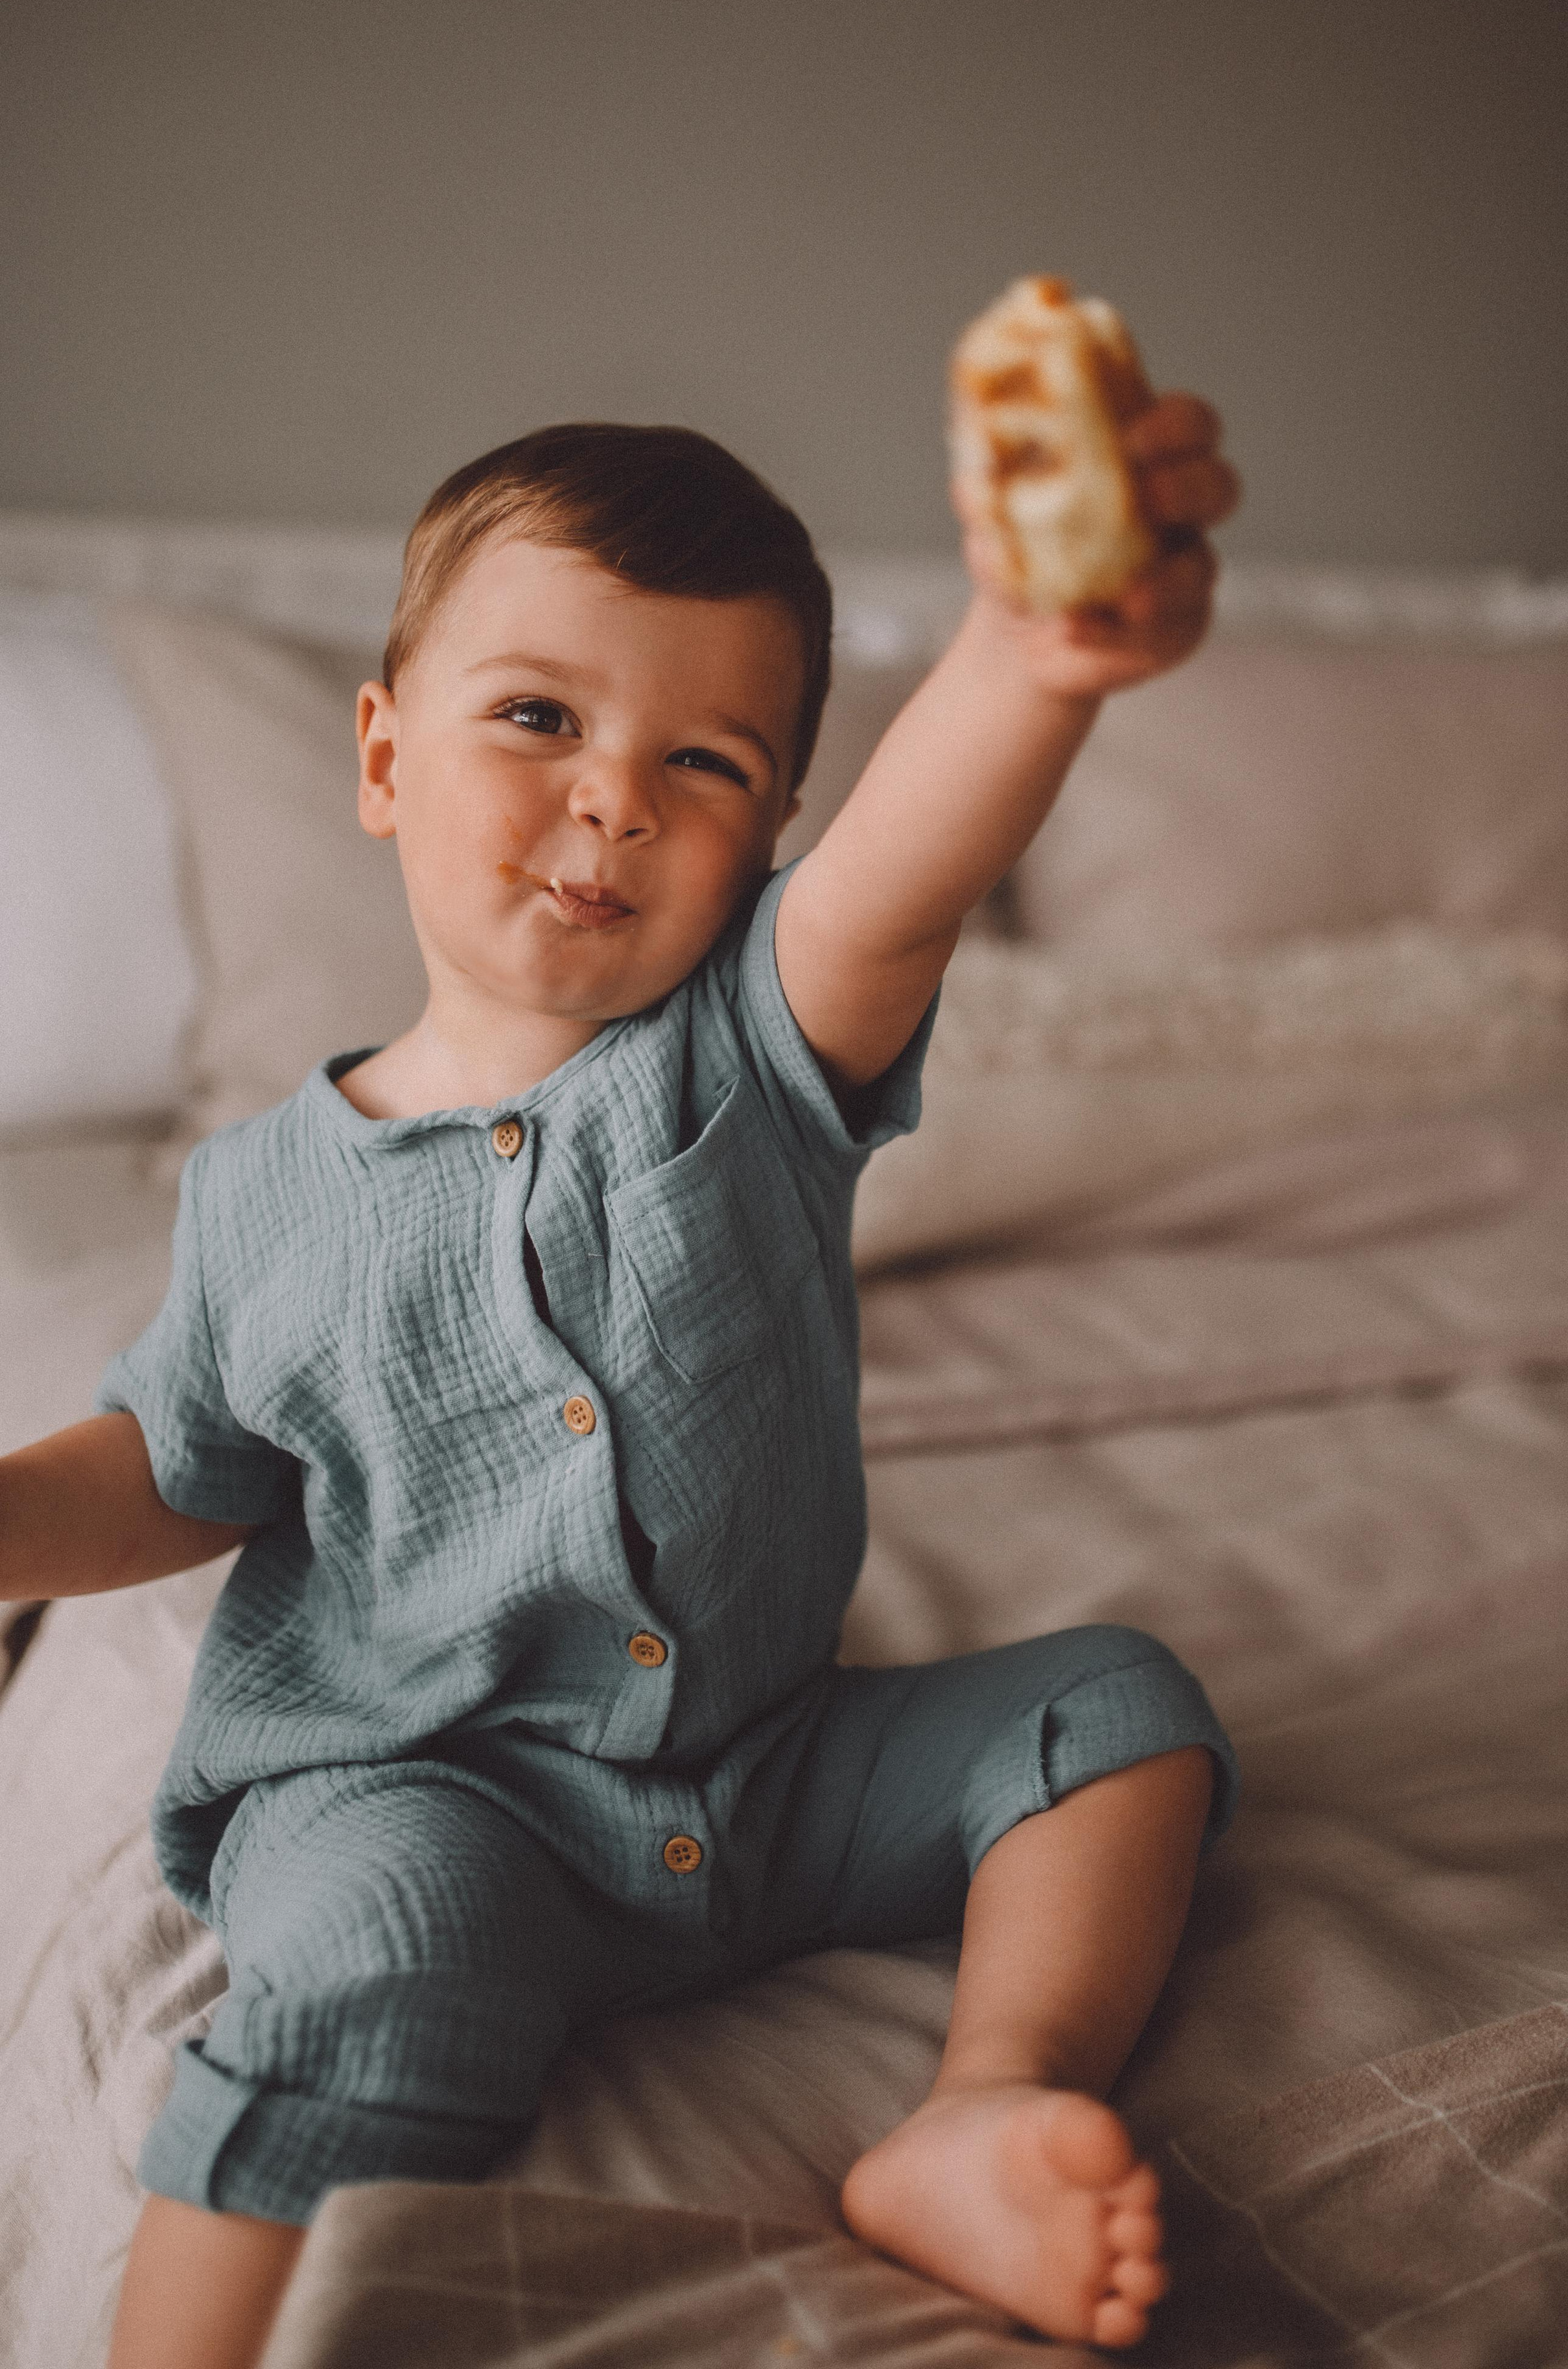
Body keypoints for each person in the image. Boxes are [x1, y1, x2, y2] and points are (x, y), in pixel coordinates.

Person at [0, 400, 1241, 2367]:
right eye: (537, 719)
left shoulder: (757, 1055)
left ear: (772, 828)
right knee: (374, 1975)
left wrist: (1033, 655)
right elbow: (178, 1463)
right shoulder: (257, 1193)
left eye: (706, 761)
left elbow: (903, 880)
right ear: (383, 759)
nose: (616, 800)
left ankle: (984, 2103)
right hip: (424, 1787)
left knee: (1114, 1712)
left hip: (764, 1771)